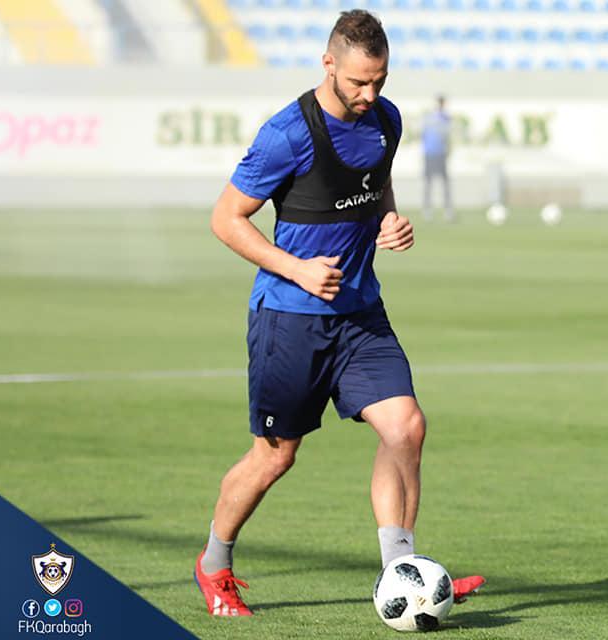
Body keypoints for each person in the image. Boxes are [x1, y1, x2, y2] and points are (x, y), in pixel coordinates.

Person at [193, 10, 484, 617]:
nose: (369, 94)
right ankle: (214, 564)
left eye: (379, 80)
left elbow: (376, 185)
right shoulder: (287, 133)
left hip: (360, 314)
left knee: (406, 428)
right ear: (328, 64)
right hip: (289, 319)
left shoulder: (386, 120)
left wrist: (388, 220)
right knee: (275, 455)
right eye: (358, 82)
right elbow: (225, 218)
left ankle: (402, 573)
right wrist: (296, 268)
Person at [421, 94, 455, 222]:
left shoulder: (446, 118)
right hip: (430, 154)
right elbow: (424, 135)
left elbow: (448, 136)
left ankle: (448, 210)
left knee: (445, 183)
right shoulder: (430, 117)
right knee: (428, 183)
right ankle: (427, 210)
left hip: (440, 154)